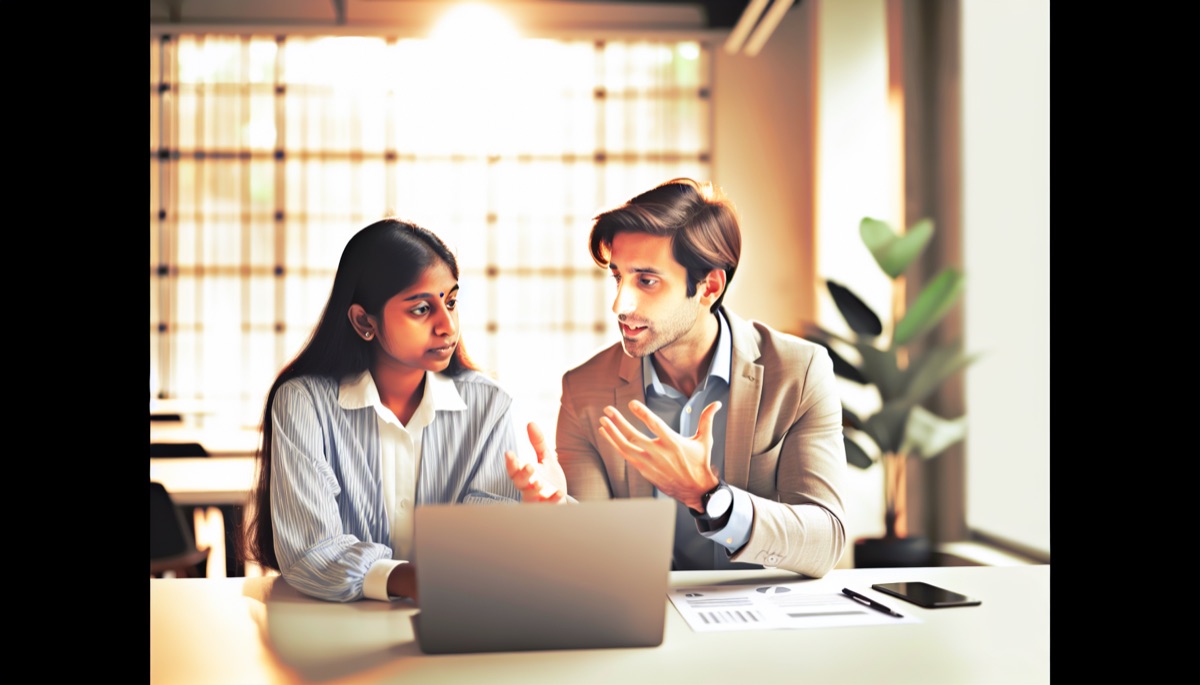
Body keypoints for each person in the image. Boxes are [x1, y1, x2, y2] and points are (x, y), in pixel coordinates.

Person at [506, 179, 847, 577]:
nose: (619, 305)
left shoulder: (798, 373)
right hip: (646, 608)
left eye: (646, 281)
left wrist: (709, 497)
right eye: (618, 278)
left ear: (708, 287)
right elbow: (595, 556)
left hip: (762, 609)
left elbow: (826, 541)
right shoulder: (585, 391)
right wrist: (558, 510)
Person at [244, 219, 520, 602]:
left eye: (451, 302)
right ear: (364, 320)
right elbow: (311, 549)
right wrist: (416, 581)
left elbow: (492, 537)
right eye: (421, 309)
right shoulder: (304, 403)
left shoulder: (490, 406)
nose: (447, 326)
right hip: (332, 626)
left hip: (457, 619)